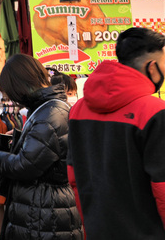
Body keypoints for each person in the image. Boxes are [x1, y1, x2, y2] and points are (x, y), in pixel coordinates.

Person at [68, 27, 165, 239]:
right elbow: (162, 186)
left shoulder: (77, 110)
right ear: (152, 66)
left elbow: (73, 176)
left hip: (97, 230)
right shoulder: (155, 112)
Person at [0, 54, 82, 240]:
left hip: (46, 214)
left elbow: (25, 165)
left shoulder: (51, 112)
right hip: (42, 210)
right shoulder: (46, 109)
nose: (11, 98)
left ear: (19, 86)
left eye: (10, 92)